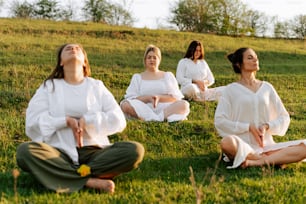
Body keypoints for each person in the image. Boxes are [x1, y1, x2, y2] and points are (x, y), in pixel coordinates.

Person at [16, 43, 145, 193]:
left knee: (134, 150)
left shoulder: (96, 86)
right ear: (61, 62)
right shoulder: (49, 87)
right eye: (68, 48)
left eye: (78, 48)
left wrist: (87, 121)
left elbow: (118, 119)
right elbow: (32, 123)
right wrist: (65, 121)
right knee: (25, 151)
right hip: (59, 153)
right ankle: (88, 180)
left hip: (95, 154)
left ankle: (66, 175)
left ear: (84, 61)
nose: (73, 49)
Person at [214, 47, 306, 169]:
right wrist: (248, 127)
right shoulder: (230, 90)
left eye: (256, 57)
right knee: (226, 143)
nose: (255, 60)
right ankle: (273, 161)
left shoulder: (267, 88)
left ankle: (256, 162)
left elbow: (284, 117)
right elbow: (220, 121)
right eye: (250, 57)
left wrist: (267, 126)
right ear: (238, 63)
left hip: (267, 147)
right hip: (243, 145)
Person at [120, 44, 190, 122]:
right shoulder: (137, 77)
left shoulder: (167, 76)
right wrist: (148, 98)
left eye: (154, 57)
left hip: (165, 109)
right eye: (149, 57)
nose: (152, 60)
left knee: (184, 105)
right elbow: (131, 98)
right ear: (145, 60)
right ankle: (153, 118)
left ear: (159, 60)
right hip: (143, 108)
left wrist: (159, 97)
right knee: (124, 105)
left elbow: (175, 97)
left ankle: (155, 118)